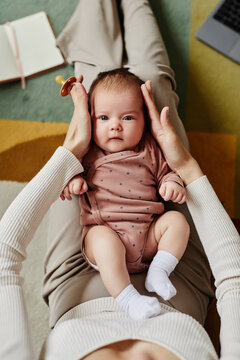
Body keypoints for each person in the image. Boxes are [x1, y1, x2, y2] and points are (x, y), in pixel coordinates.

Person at [0, 1, 239, 359]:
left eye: (127, 120)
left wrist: (72, 149)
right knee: (153, 84)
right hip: (176, 290)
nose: (116, 126)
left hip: (82, 280)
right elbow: (234, 278)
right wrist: (186, 167)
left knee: (92, 89)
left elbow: (4, 256)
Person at [60, 68, 190, 320]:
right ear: (90, 119)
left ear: (145, 122)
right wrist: (73, 181)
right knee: (104, 240)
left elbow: (168, 172)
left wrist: (173, 184)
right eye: (104, 118)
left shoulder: (150, 150)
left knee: (177, 222)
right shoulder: (90, 152)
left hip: (149, 238)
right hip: (106, 231)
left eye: (128, 118)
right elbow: (68, 171)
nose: (115, 126)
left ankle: (159, 271)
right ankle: (129, 299)